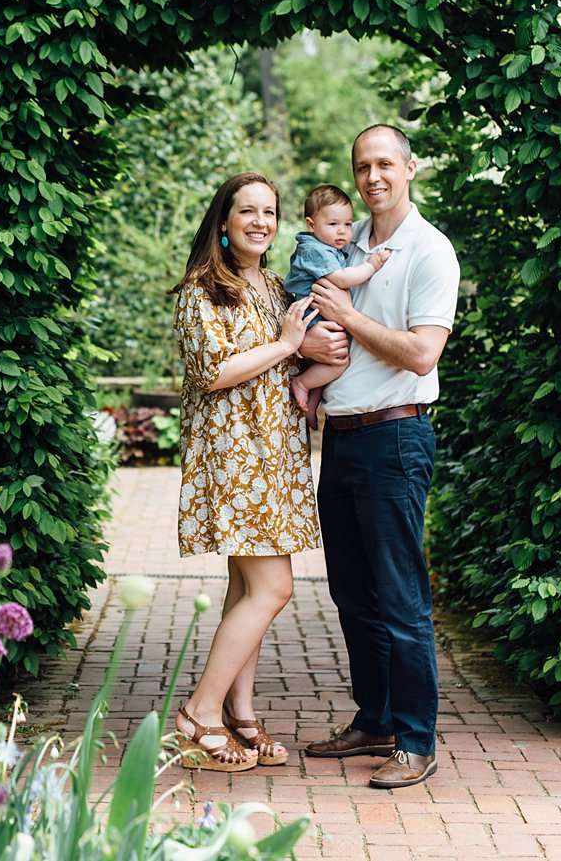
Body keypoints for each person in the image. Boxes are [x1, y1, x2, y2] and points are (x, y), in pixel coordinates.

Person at [302, 125, 460, 789]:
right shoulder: (349, 240)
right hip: (340, 434)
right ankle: (377, 717)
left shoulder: (429, 250)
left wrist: (348, 313)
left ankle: (416, 739)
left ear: (410, 167)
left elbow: (422, 353)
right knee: (351, 592)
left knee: (400, 596)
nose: (373, 177)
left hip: (396, 435)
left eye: (385, 164)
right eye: (363, 165)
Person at [167, 172, 338, 770]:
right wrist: (290, 344)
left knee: (246, 588)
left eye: (269, 212)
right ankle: (199, 712)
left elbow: (294, 352)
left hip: (276, 455)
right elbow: (211, 373)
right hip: (236, 458)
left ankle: (240, 713)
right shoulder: (201, 290)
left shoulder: (271, 284)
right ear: (224, 221)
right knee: (275, 588)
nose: (261, 222)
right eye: (248, 211)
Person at [283, 184, 393, 428]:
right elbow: (342, 279)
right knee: (339, 361)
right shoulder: (314, 250)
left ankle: (310, 404)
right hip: (313, 316)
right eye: (333, 224)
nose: (342, 232)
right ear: (311, 225)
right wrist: (372, 266)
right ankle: (302, 384)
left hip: (320, 314)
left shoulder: (329, 247)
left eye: (348, 224)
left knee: (331, 359)